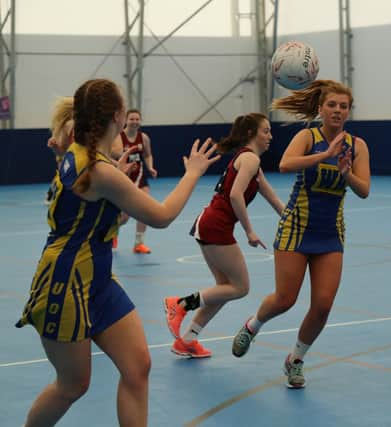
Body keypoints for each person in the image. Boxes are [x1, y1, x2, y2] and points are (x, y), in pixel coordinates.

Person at [15, 78, 219, 427]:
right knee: (73, 385)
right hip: (65, 285)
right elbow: (163, 216)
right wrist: (193, 172)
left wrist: (117, 199)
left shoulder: (79, 152)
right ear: (118, 116)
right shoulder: (100, 170)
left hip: (97, 280)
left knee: (138, 366)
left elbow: (100, 218)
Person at [231, 80, 371, 388]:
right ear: (321, 108)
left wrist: (347, 173)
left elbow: (365, 191)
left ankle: (295, 359)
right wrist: (324, 156)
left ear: (349, 111)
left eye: (343, 106)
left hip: (330, 233)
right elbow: (284, 164)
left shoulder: (357, 146)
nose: (337, 110)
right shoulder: (308, 137)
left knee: (322, 306)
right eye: (332, 105)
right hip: (296, 227)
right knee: (284, 300)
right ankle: (253, 325)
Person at [163, 113, 284, 358]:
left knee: (224, 289)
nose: (270, 136)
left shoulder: (251, 162)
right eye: (266, 131)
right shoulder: (249, 158)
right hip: (216, 226)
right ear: (251, 134)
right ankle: (181, 304)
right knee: (240, 288)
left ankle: (187, 340)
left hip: (208, 223)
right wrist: (249, 230)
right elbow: (235, 195)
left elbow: (270, 195)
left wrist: (291, 217)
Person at [112, 109, 158, 253]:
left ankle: (139, 243)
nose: (135, 122)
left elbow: (148, 155)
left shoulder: (143, 138)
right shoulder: (118, 138)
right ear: (126, 120)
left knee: (144, 209)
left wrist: (150, 167)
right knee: (124, 217)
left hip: (140, 178)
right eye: (132, 119)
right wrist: (120, 164)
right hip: (124, 180)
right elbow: (109, 156)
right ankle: (113, 231)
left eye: (137, 119)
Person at [44, 97, 74, 205]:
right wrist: (55, 147)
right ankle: (52, 194)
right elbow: (60, 150)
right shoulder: (62, 126)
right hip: (65, 156)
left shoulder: (74, 125)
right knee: (61, 176)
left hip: (71, 156)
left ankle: (52, 194)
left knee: (62, 176)